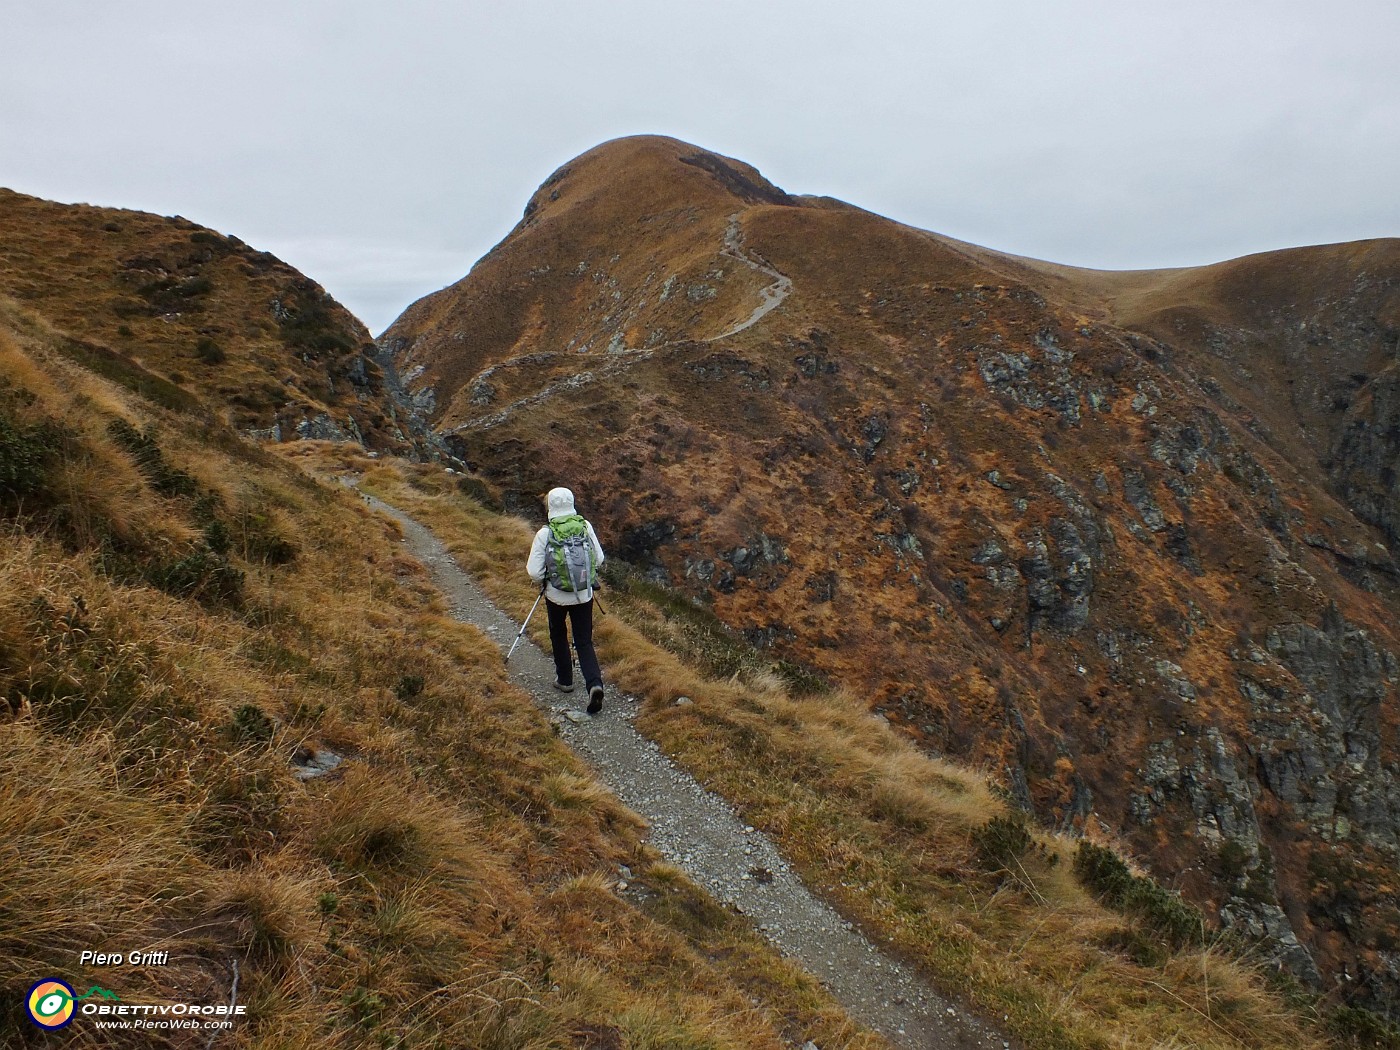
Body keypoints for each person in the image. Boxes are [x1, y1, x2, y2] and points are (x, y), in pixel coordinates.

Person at [526, 486, 607, 713]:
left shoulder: (545, 533)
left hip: (556, 596)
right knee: (584, 640)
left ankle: (565, 680)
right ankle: (594, 684)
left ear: (550, 506)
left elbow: (533, 571)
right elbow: (599, 559)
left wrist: (547, 578)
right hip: (584, 594)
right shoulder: (585, 526)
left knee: (558, 633)